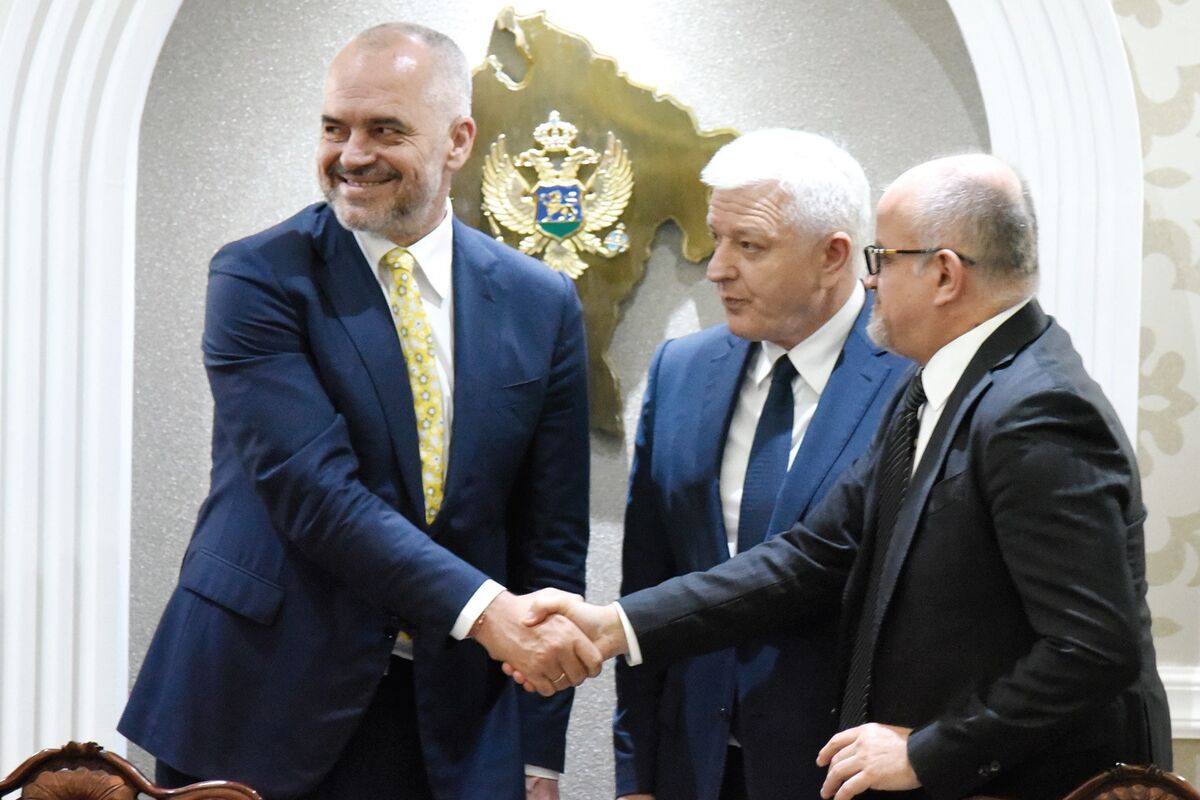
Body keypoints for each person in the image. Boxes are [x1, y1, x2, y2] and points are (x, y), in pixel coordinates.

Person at [521, 154, 1173, 800]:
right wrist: (614, 625)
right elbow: (812, 554)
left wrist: (928, 750)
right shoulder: (936, 386)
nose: (869, 280)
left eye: (882, 258)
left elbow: (1093, 649)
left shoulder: (1038, 410)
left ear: (944, 274)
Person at [119, 22, 598, 800]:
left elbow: (551, 536)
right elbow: (315, 493)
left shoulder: (540, 303)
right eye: (333, 127)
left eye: (385, 130)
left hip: (451, 722)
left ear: (458, 141)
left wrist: (539, 749)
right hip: (260, 699)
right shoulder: (258, 278)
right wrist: (487, 614)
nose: (351, 154)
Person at [615, 129, 907, 800]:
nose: (717, 268)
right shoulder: (681, 370)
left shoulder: (912, 381)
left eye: (749, 246)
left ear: (833, 256)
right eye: (717, 239)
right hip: (693, 768)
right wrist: (635, 775)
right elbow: (649, 579)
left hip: (839, 773)